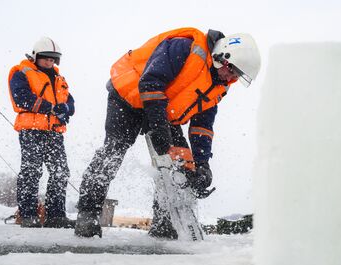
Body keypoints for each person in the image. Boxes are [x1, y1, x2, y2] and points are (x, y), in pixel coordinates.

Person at [74, 27, 261, 238]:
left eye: (236, 75)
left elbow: (202, 127)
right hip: (128, 96)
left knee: (183, 165)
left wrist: (202, 165)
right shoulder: (184, 47)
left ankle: (165, 223)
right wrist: (159, 128)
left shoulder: (219, 85)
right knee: (114, 151)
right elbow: (151, 82)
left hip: (162, 111)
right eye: (232, 70)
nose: (231, 77)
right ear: (223, 57)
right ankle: (87, 214)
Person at [8, 37, 76, 228]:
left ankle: (55, 216)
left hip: (54, 132)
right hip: (31, 130)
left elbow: (70, 101)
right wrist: (52, 108)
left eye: (53, 59)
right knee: (31, 171)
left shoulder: (59, 79)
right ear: (36, 56)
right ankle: (28, 214)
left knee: (61, 171)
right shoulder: (22, 72)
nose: (49, 62)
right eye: (46, 58)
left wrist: (66, 109)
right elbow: (21, 98)